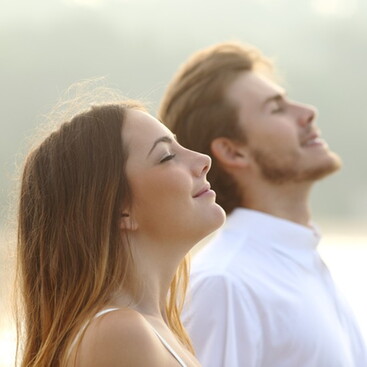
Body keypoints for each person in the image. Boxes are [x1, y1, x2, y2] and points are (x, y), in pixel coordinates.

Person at [159, 42, 367, 367]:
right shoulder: (226, 284)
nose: (308, 111)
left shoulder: (300, 261)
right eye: (276, 108)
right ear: (233, 152)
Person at [16, 97, 225, 367]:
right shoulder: (118, 334)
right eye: (167, 156)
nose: (203, 160)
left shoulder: (156, 331)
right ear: (120, 210)